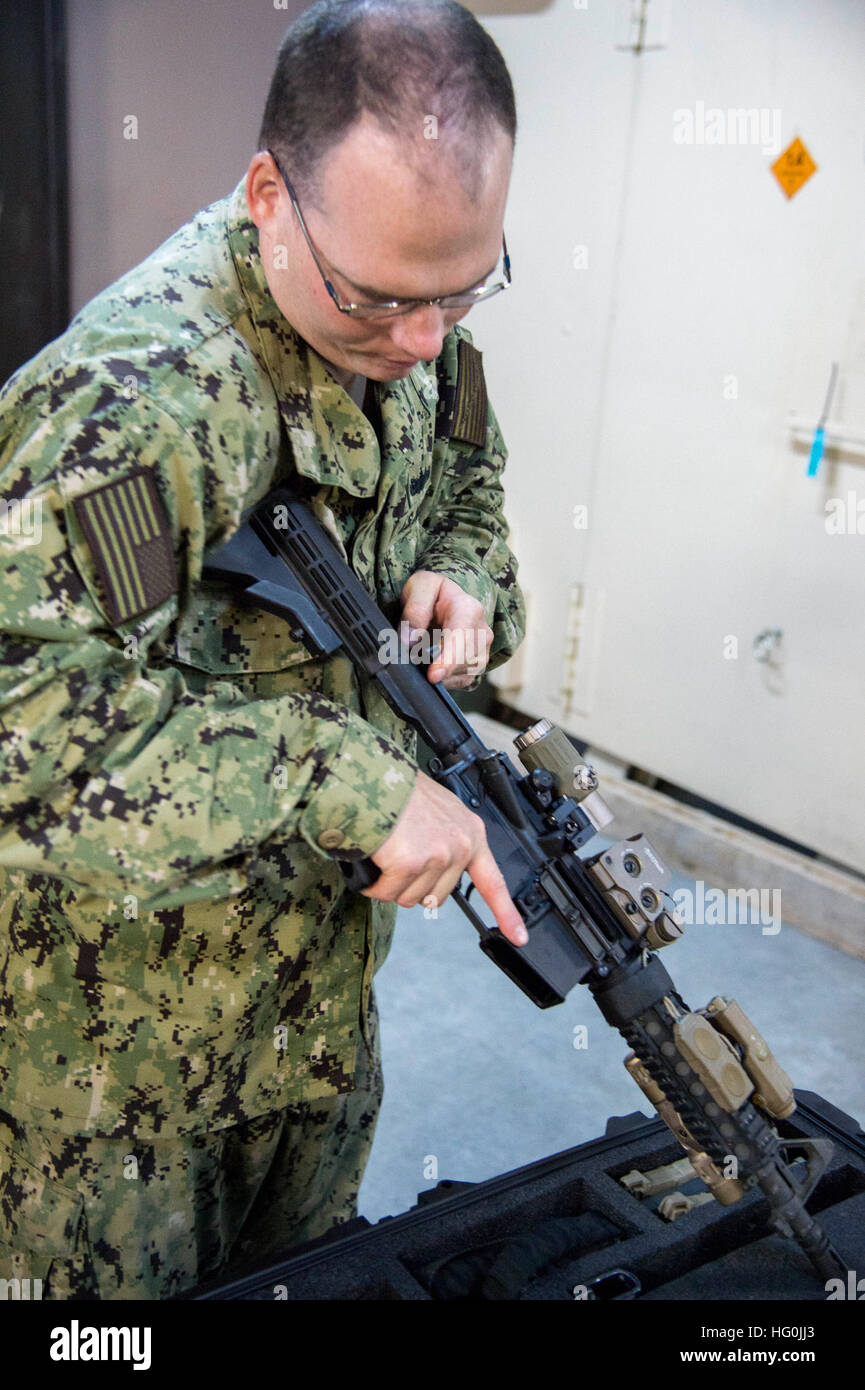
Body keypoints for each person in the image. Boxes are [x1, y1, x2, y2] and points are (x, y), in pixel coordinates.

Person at [0, 0, 526, 1299]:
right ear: (266, 196)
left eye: (462, 289)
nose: (420, 340)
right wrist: (350, 783)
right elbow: (32, 728)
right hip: (114, 1080)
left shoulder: (418, 326)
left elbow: (470, 490)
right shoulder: (150, 409)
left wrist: (466, 583)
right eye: (381, 297)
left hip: (312, 1021)